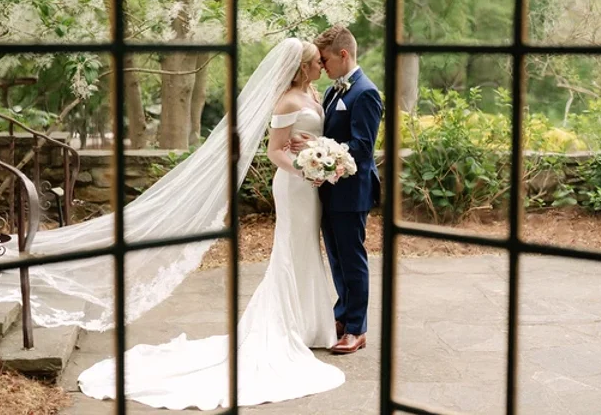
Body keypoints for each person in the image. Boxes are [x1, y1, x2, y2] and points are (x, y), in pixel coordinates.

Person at [77, 39, 346, 410]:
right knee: (291, 249)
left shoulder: (314, 91)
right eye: (316, 62)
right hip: (294, 187)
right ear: (301, 67)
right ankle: (289, 325)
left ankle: (311, 324)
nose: (322, 65)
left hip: (311, 187)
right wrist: (305, 167)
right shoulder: (286, 100)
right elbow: (275, 151)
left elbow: (309, 136)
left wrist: (321, 151)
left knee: (306, 251)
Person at [292, 25, 383, 355]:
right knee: (337, 259)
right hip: (329, 189)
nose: (323, 66)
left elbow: (361, 147)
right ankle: (342, 315)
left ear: (344, 55)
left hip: (352, 192)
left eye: (326, 59)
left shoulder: (366, 93)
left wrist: (317, 145)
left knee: (352, 258)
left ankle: (357, 329)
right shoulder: (333, 92)